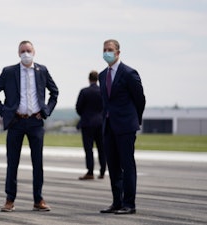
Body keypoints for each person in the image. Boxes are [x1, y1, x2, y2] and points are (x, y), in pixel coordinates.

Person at [0, 40, 59, 212]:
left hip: (35, 122)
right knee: (12, 162)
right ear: (18, 53)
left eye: (28, 50)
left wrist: (46, 111)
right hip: (16, 122)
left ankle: (38, 199)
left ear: (34, 52)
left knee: (37, 162)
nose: (26, 53)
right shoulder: (9, 71)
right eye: (22, 51)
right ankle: (9, 199)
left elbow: (54, 92)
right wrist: (4, 111)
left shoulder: (42, 70)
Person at [98, 39, 146, 215]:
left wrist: (134, 120)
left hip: (125, 126)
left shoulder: (129, 73)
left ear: (118, 52)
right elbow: (105, 101)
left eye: (110, 49)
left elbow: (140, 99)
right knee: (113, 165)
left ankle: (129, 203)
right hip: (109, 126)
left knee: (127, 165)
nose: (106, 52)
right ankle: (117, 202)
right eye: (104, 49)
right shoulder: (102, 75)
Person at [75, 70, 106, 180]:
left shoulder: (84, 91)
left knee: (89, 149)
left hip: (87, 122)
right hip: (100, 122)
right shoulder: (103, 91)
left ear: (89, 79)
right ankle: (103, 170)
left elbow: (78, 107)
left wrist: (85, 115)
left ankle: (90, 171)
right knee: (101, 148)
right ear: (97, 79)